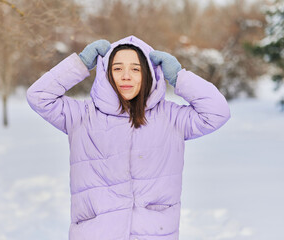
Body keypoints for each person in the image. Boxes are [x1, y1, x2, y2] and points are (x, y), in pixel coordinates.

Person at [27, 36, 230, 240]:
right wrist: (80, 64)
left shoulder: (170, 117)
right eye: (117, 69)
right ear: (106, 73)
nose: (126, 76)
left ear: (149, 74)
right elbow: (38, 96)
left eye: (136, 69)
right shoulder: (81, 116)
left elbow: (217, 113)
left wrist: (179, 77)